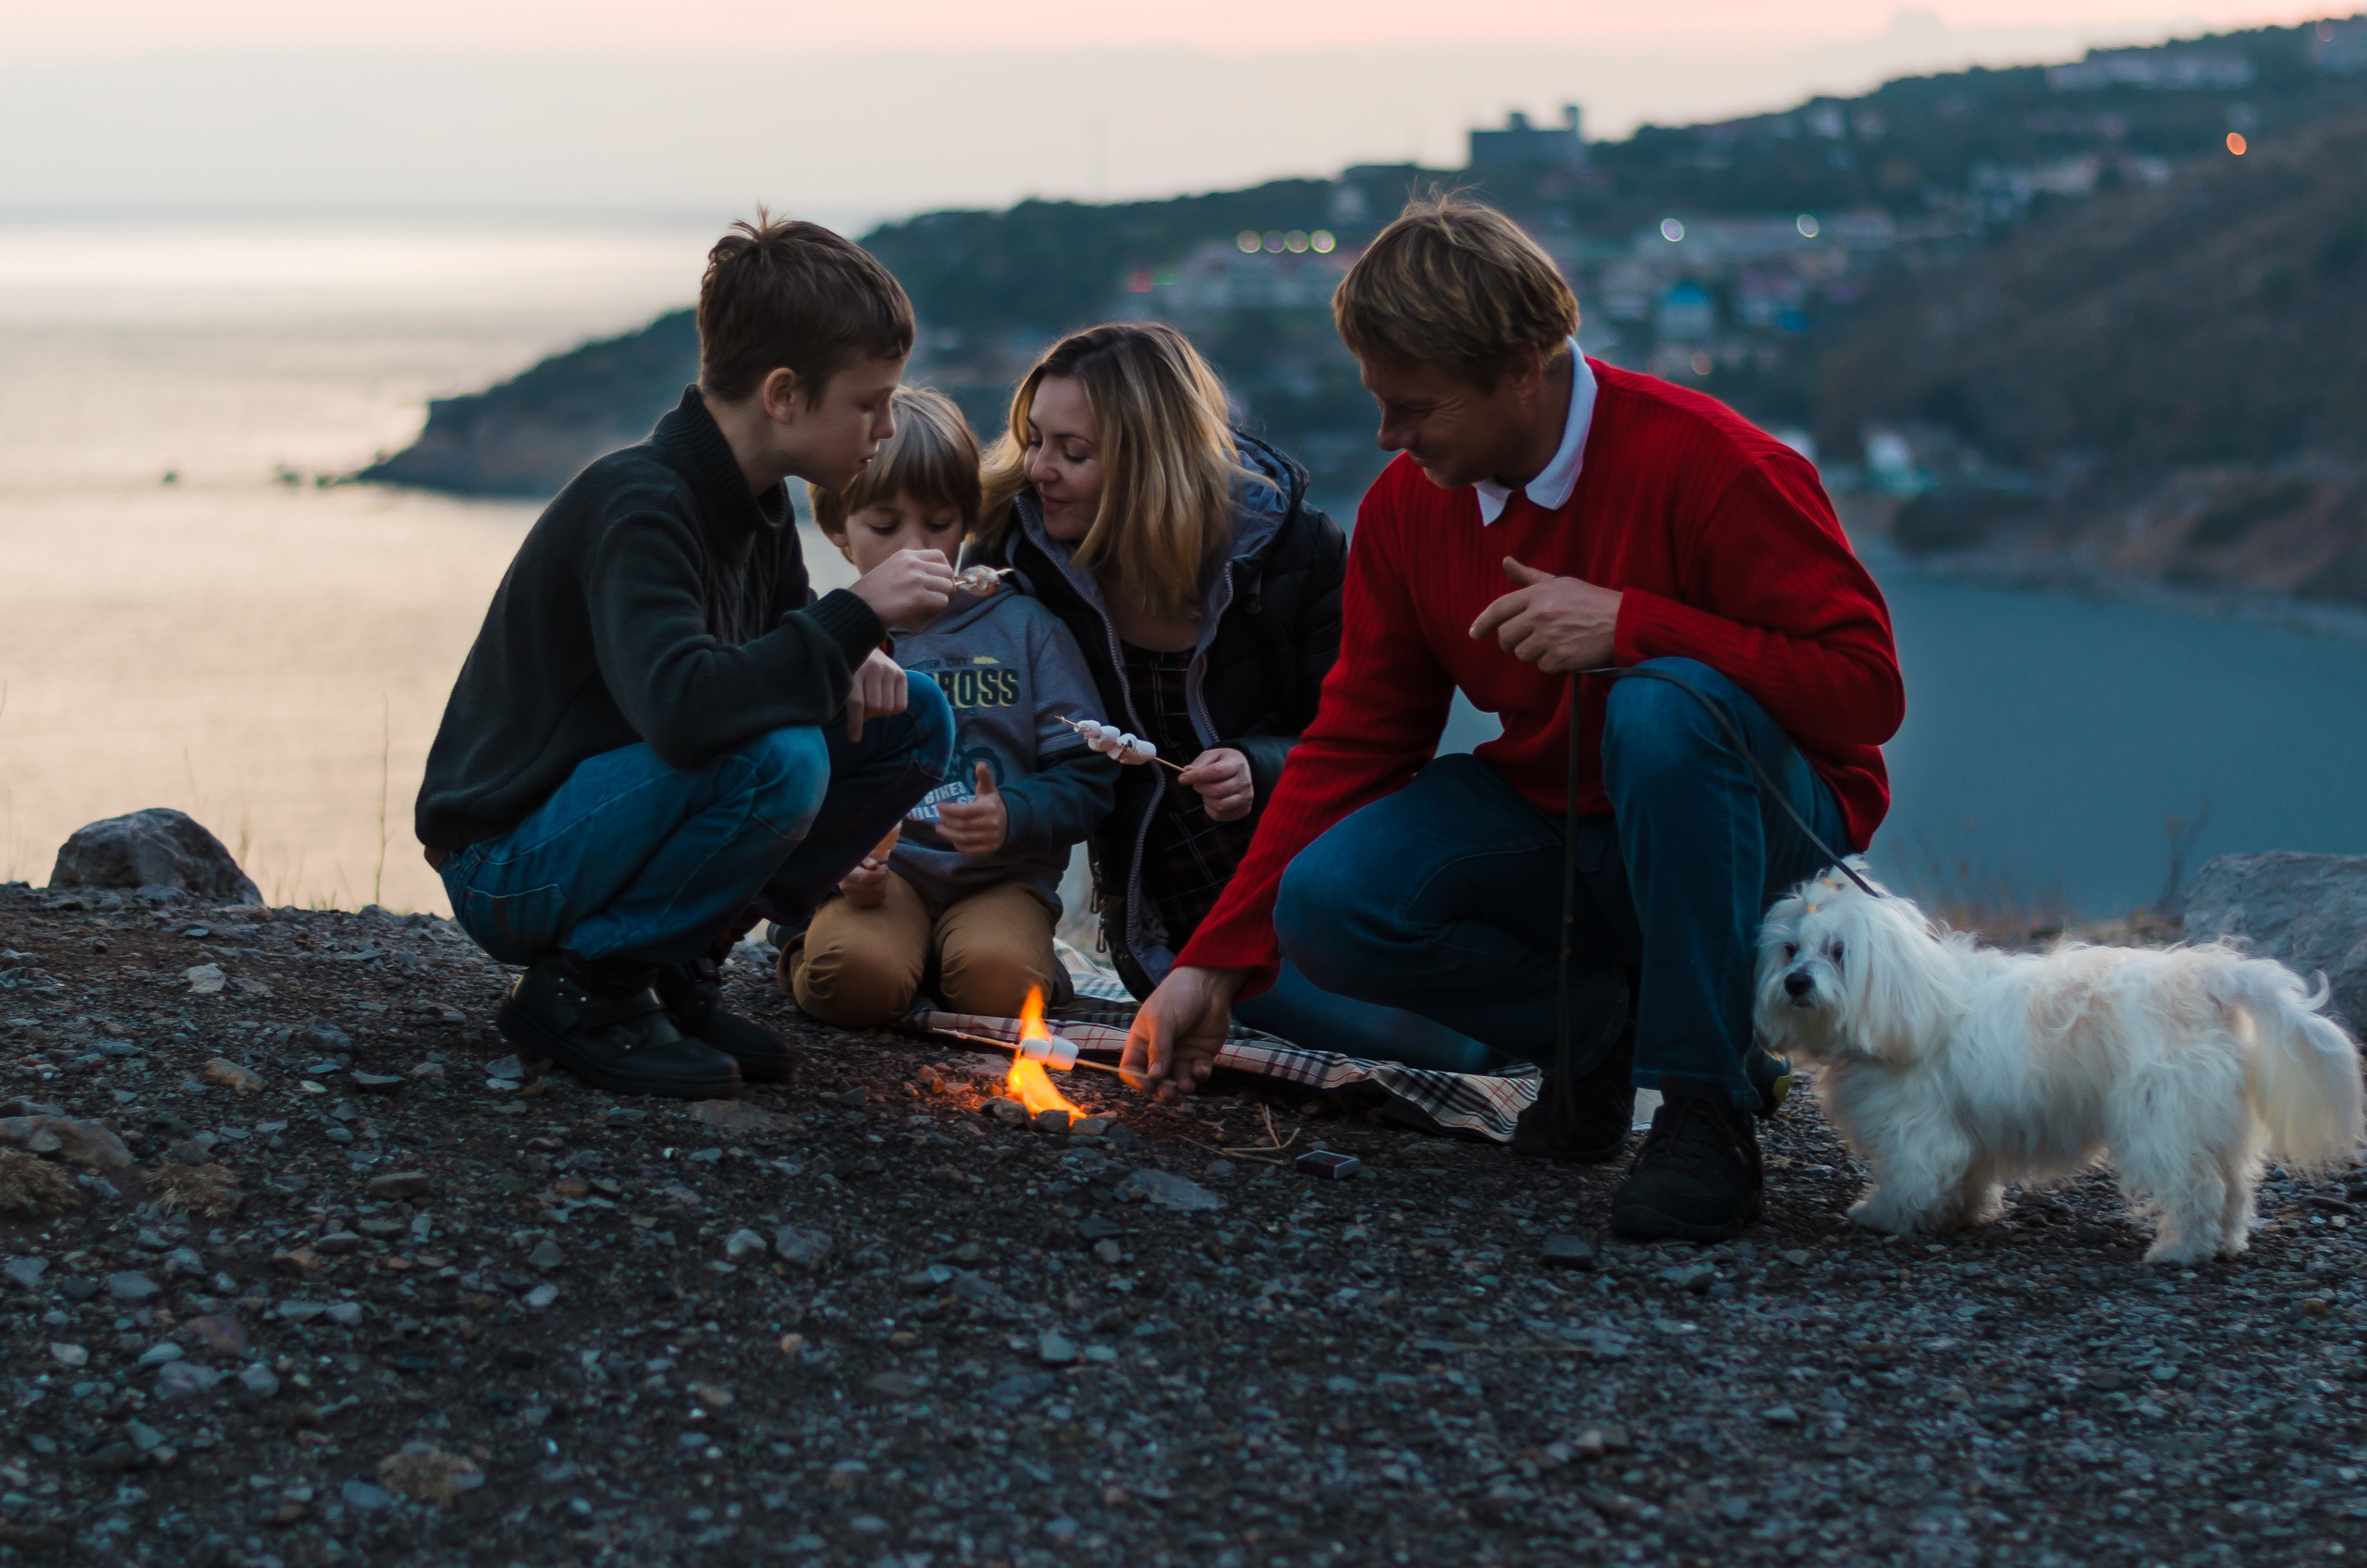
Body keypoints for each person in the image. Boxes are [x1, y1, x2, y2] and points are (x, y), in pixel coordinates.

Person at [1123, 197, 1905, 1243]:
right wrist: (1210, 965)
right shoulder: (1410, 505)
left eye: (1416, 407)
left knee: (1662, 708)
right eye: (1378, 400)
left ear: (1524, 371)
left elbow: (1865, 692)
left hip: (1757, 843)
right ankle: (1594, 1033)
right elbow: (1359, 737)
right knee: (1332, 901)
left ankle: (1705, 1111)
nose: (1388, 437)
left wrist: (1636, 625)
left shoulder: (1716, 464)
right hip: (1562, 825)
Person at [416, 214, 958, 1100]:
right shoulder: (642, 505)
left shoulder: (762, 504)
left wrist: (847, 645)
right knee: (778, 757)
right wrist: (852, 615)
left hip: (608, 821)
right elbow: (685, 708)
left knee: (915, 719)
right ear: (783, 395)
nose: (887, 427)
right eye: (869, 402)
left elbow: (778, 656)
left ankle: (674, 963)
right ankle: (587, 990)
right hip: (509, 863)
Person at [966, 322, 1491, 1069]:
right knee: (1418, 1045)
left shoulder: (1296, 548)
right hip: (1162, 915)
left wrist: (1260, 765)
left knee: (1455, 1048)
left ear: (1153, 462)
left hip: (1301, 888)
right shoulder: (1015, 555)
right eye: (1033, 440)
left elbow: (1366, 741)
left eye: (1072, 451)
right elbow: (971, 713)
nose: (1039, 469)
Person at [780, 386, 1120, 1024]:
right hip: (886, 879)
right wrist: (836, 864)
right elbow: (797, 778)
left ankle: (992, 959)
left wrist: (1012, 815)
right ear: (835, 529)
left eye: (940, 524)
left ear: (969, 520)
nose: (917, 549)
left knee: (999, 988)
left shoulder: (1026, 629)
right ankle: (806, 942)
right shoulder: (829, 640)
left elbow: (1090, 775)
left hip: (1000, 878)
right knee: (852, 984)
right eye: (884, 527)